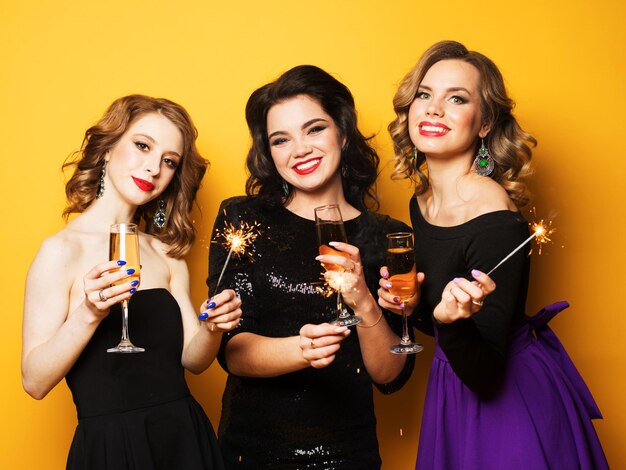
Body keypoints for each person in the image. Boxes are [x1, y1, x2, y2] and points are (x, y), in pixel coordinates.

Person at [379, 40, 608, 469]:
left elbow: (485, 371)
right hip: (453, 386)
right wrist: (413, 307)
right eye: (425, 95)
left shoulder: (494, 218)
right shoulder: (423, 201)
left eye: (457, 99)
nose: (433, 109)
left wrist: (446, 321)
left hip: (507, 403)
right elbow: (447, 325)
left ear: (484, 124)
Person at [207, 65, 415, 469]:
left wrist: (364, 301)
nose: (299, 149)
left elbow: (390, 376)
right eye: (281, 139)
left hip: (349, 455)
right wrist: (300, 350)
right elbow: (231, 350)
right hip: (251, 453)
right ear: (269, 153)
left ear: (342, 130)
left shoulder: (389, 236)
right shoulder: (242, 219)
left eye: (313, 129)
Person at [22, 95, 242, 470]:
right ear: (107, 149)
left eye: (169, 161)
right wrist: (89, 314)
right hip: (111, 449)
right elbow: (35, 381)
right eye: (142, 146)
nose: (154, 167)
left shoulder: (166, 253)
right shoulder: (61, 251)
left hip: (184, 441)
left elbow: (194, 360)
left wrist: (213, 328)